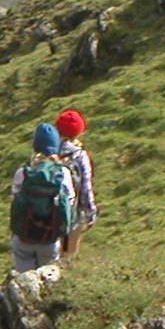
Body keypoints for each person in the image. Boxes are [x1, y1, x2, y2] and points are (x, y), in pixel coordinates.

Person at [8, 122, 77, 273]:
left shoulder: (23, 173)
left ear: (35, 146)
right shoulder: (63, 173)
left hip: (23, 238)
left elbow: (15, 201)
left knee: (24, 282)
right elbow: (71, 202)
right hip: (50, 239)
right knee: (46, 282)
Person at [54, 108, 97, 265]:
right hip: (72, 214)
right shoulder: (79, 155)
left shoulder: (44, 152)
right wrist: (90, 213)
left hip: (45, 214)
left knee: (48, 256)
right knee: (67, 257)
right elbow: (85, 187)